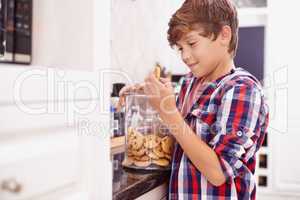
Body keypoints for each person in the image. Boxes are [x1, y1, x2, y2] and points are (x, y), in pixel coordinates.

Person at [120, 0, 269, 199]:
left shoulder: (242, 90)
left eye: (191, 43)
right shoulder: (189, 83)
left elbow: (218, 173)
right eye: (180, 48)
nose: (185, 56)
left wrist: (169, 112)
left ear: (225, 35)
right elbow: (180, 132)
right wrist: (146, 96)